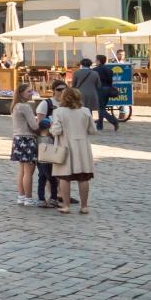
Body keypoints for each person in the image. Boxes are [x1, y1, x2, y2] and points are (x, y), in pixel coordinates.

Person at [42, 85, 97, 213]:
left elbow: (56, 130)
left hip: (65, 146)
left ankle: (66, 205)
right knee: (83, 177)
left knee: (64, 177)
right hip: (82, 147)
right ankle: (84, 206)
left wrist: (50, 129)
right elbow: (92, 130)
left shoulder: (59, 112)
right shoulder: (86, 111)